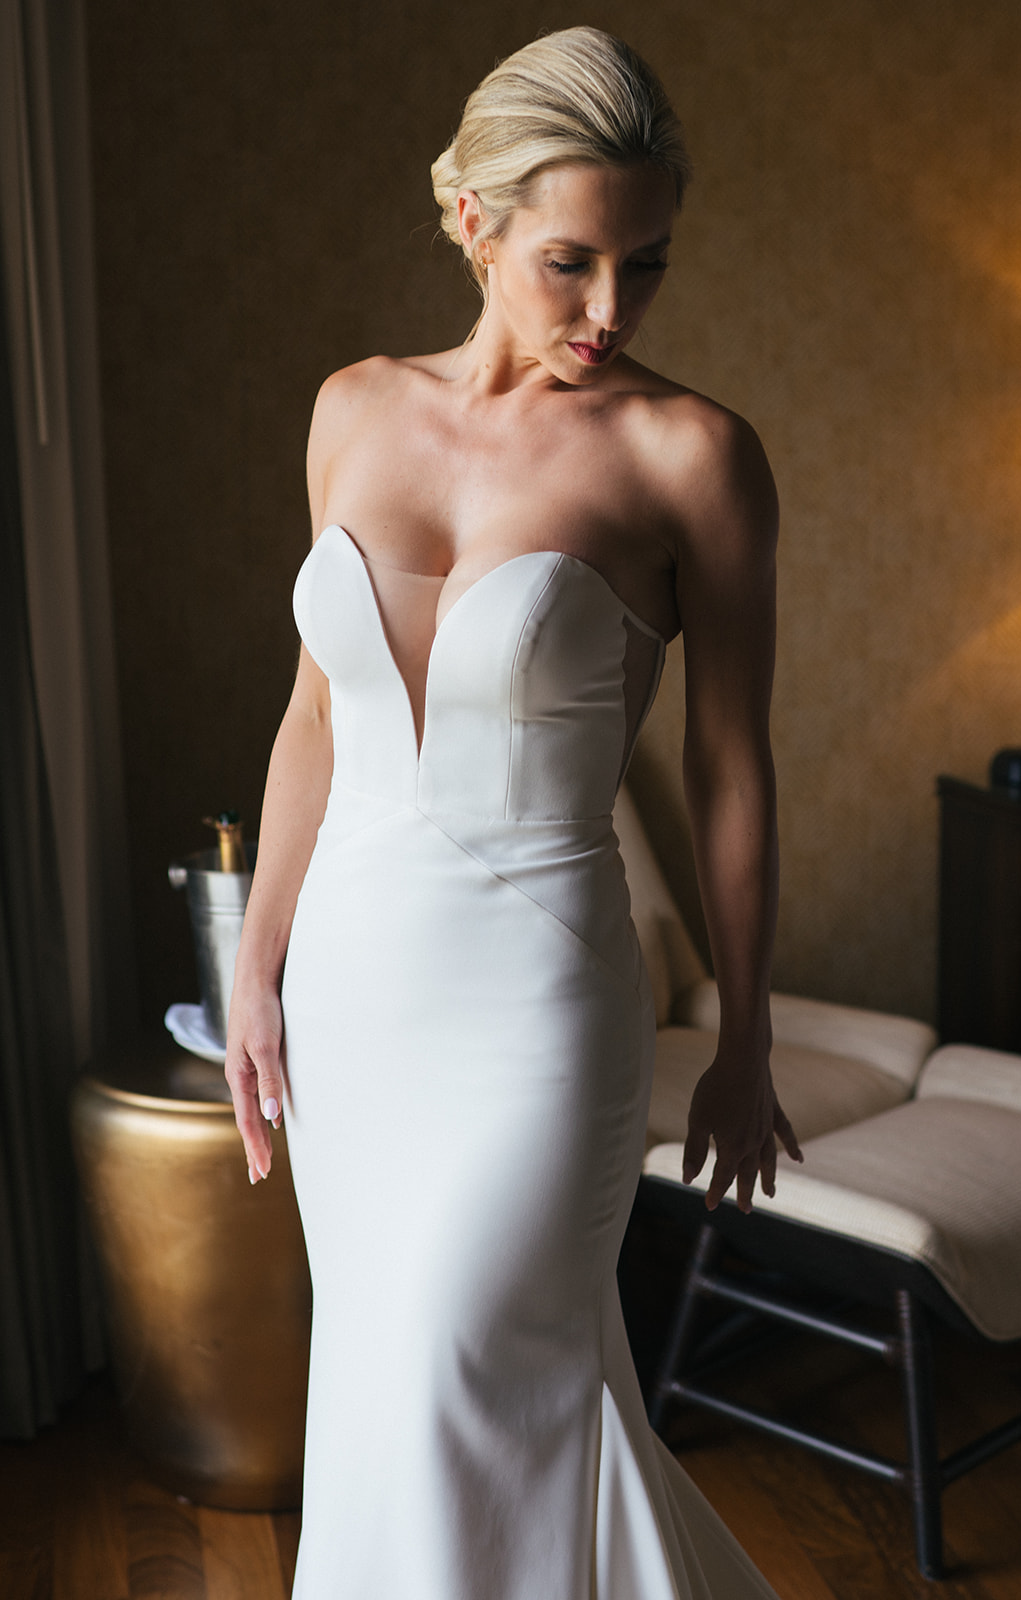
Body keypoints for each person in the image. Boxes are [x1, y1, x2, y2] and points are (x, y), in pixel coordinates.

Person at [225, 25, 800, 1599]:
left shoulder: (694, 460)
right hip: (352, 987)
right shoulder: (351, 412)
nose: (610, 312)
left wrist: (743, 1033)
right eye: (570, 263)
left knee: (462, 1363)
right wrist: (259, 963)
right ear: (470, 221)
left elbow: (732, 768)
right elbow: (311, 717)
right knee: (387, 1394)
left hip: (533, 1000)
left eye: (648, 268)